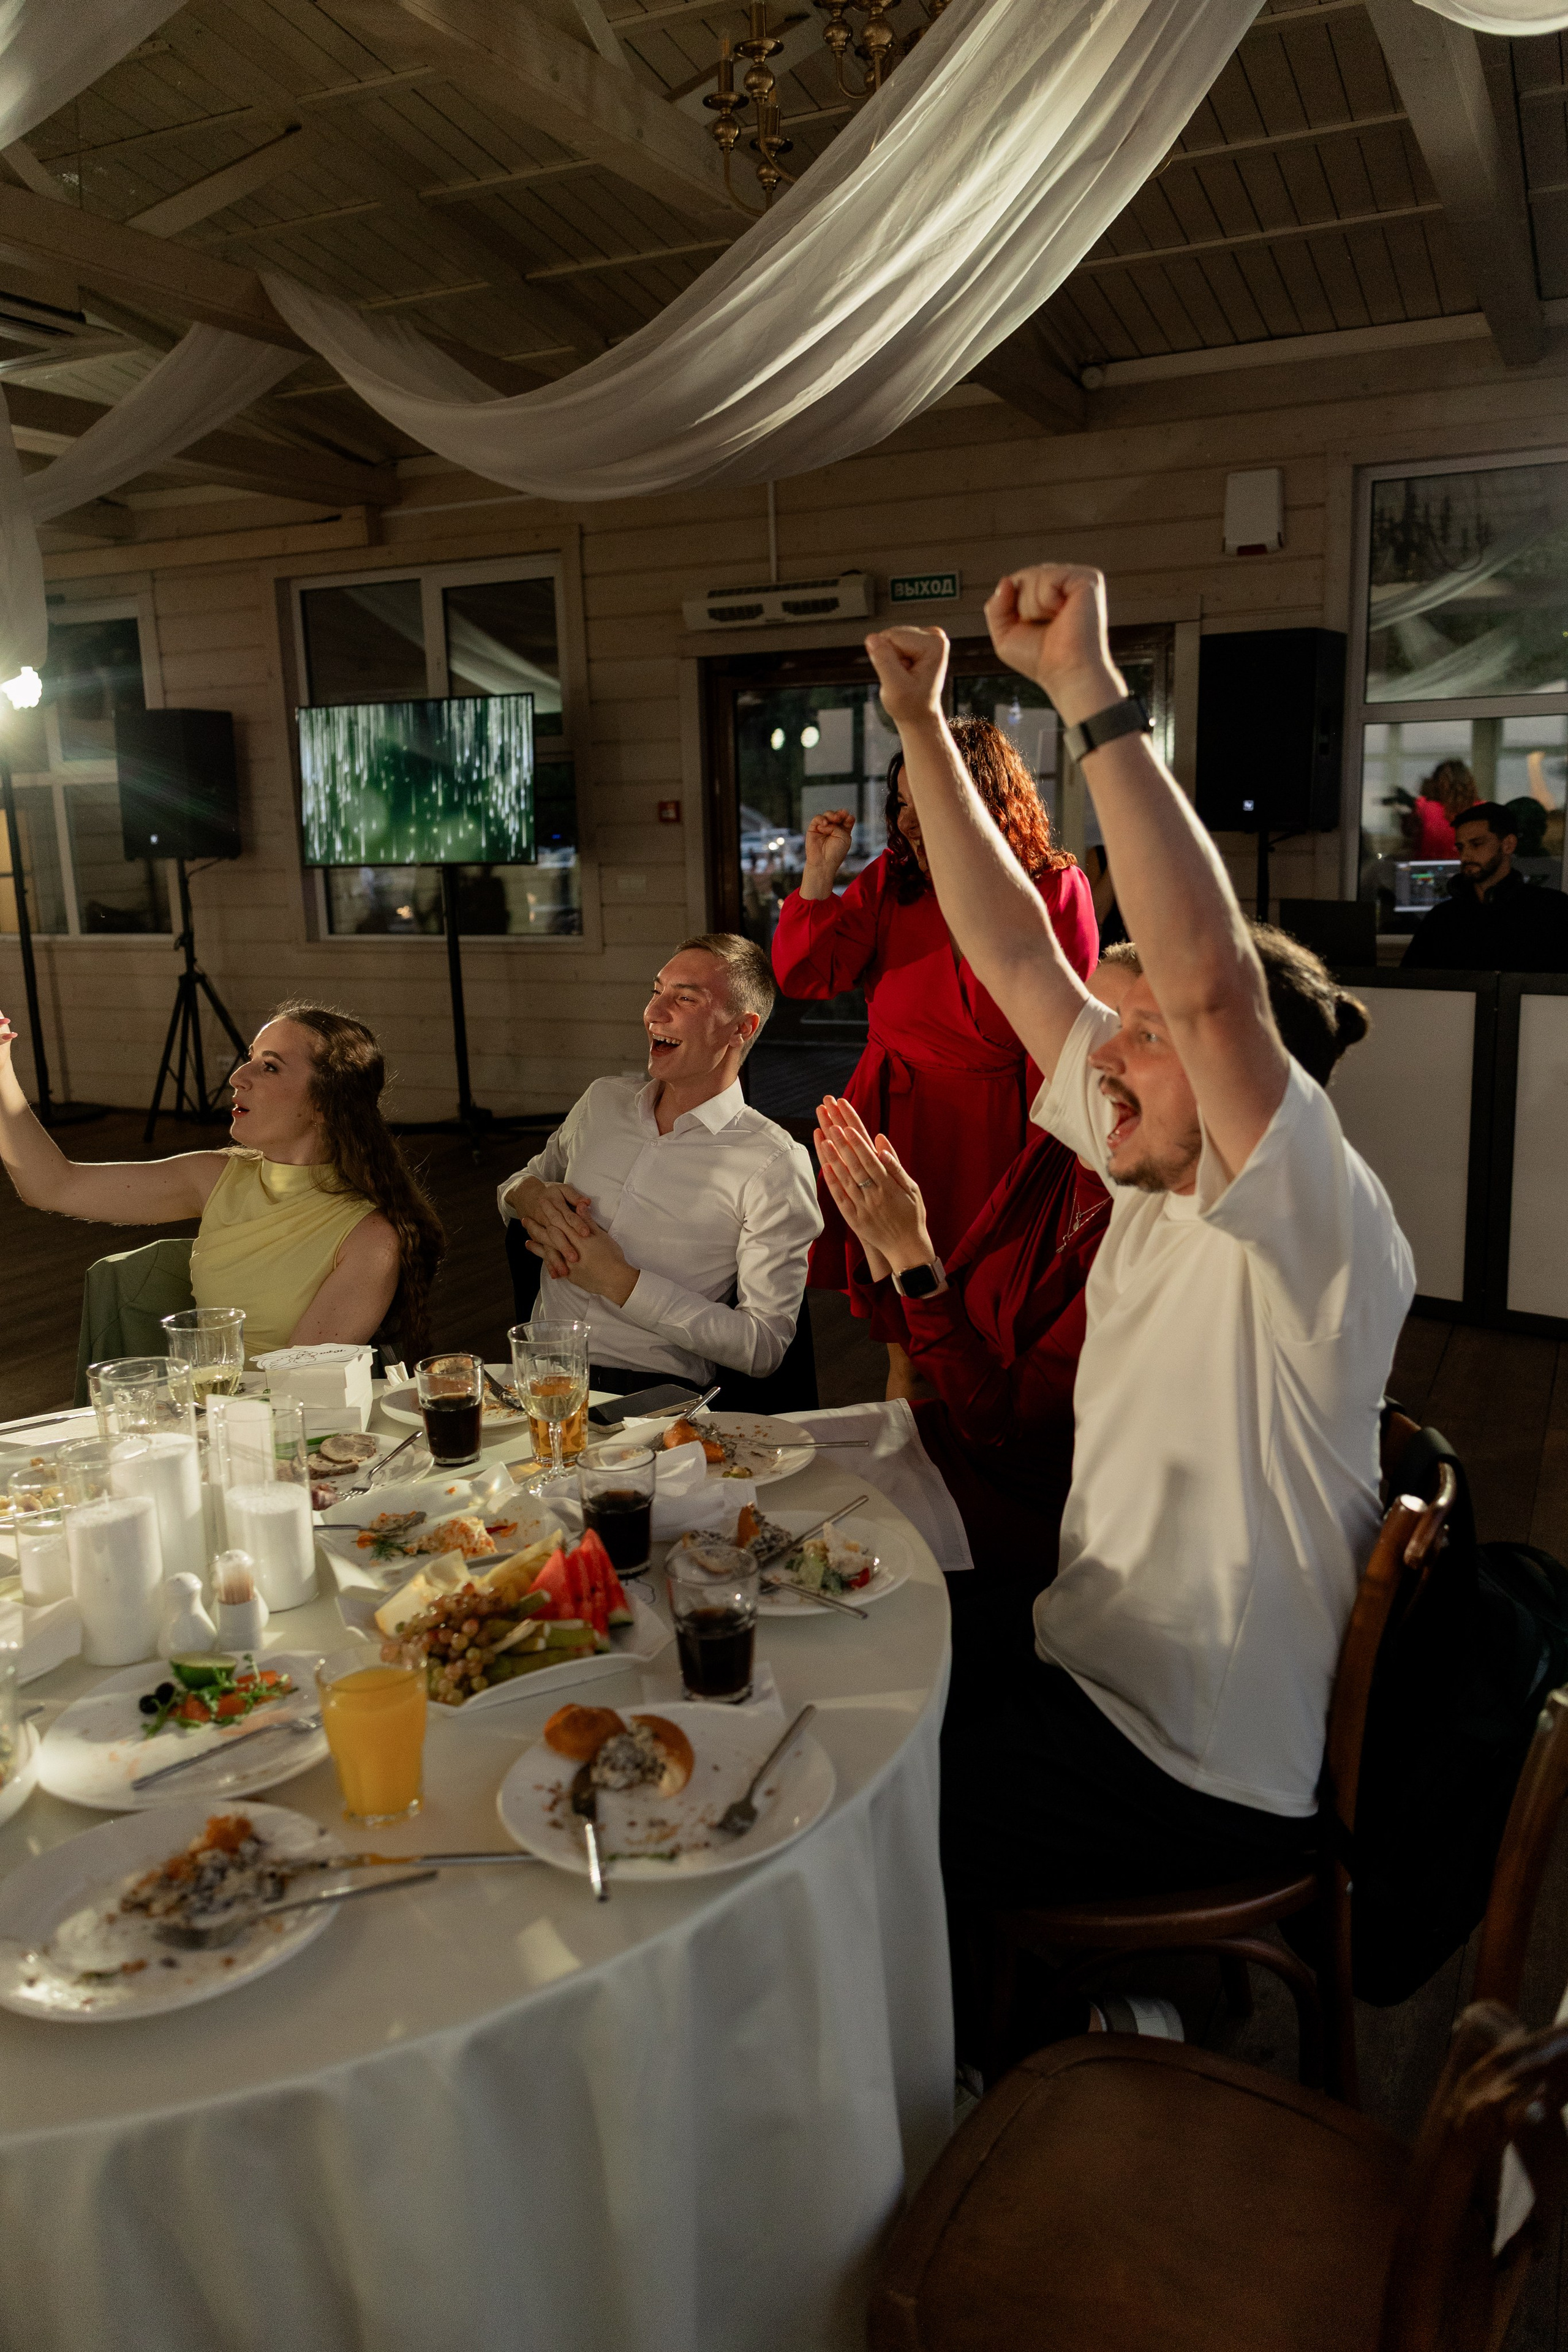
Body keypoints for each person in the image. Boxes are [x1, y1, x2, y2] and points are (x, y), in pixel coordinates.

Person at [861, 566, 1412, 2060]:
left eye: (1144, 1034)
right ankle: (1079, 2010)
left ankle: (1044, 2055)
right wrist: (919, 724)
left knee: (859, 1819)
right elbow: (1010, 955)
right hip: (1085, 1660)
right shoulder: (1150, 1178)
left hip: (1188, 1764)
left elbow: (1215, 989)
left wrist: (1087, 694)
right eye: (1116, 1022)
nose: (1106, 1051)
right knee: (852, 1650)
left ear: (1254, 1094)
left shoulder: (1305, 1229)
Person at [771, 720, 1098, 1399]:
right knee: (908, 1350)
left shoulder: (1052, 887)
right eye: (900, 803)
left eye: (928, 799)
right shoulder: (893, 881)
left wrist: (1050, 1170)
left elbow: (1065, 1041)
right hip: (898, 1125)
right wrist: (819, 875)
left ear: (984, 799)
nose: (908, 820)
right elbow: (806, 974)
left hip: (999, 1136)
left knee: (995, 1342)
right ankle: (908, 1464)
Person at [812, 965, 1132, 1569]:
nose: (1090, 1051)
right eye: (1085, 1022)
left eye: (1124, 1032)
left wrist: (910, 1251)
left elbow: (1000, 1426)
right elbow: (935, 1334)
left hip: (1032, 1503)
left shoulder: (1146, 1228)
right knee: (760, 1470)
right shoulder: (1052, 1156)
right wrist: (880, 1238)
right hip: (946, 1444)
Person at [0, 1000, 444, 1357]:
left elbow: (301, 1385)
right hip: (202, 1407)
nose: (237, 1077)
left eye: (270, 1067)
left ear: (324, 1105)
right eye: (249, 1059)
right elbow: (52, 1186)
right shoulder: (213, 1178)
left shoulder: (370, 1237)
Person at [497, 933, 821, 1393]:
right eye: (656, 991)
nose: (653, 1013)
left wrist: (621, 1282)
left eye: (685, 998)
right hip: (539, 1380)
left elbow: (763, 1347)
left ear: (741, 1029)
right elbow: (518, 1184)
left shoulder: (773, 1163)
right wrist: (527, 1194)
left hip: (654, 1401)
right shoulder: (602, 1101)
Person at [1402, 799, 1568, 973]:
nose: (1465, 856)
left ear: (1508, 845)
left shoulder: (1552, 910)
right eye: (1461, 847)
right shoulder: (1441, 919)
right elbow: (1409, 983)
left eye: (1477, 844)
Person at [1406, 758, 1476, 858]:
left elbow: (1410, 834)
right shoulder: (1483, 810)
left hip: (1429, 866)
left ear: (1436, 783)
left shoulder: (1424, 806)